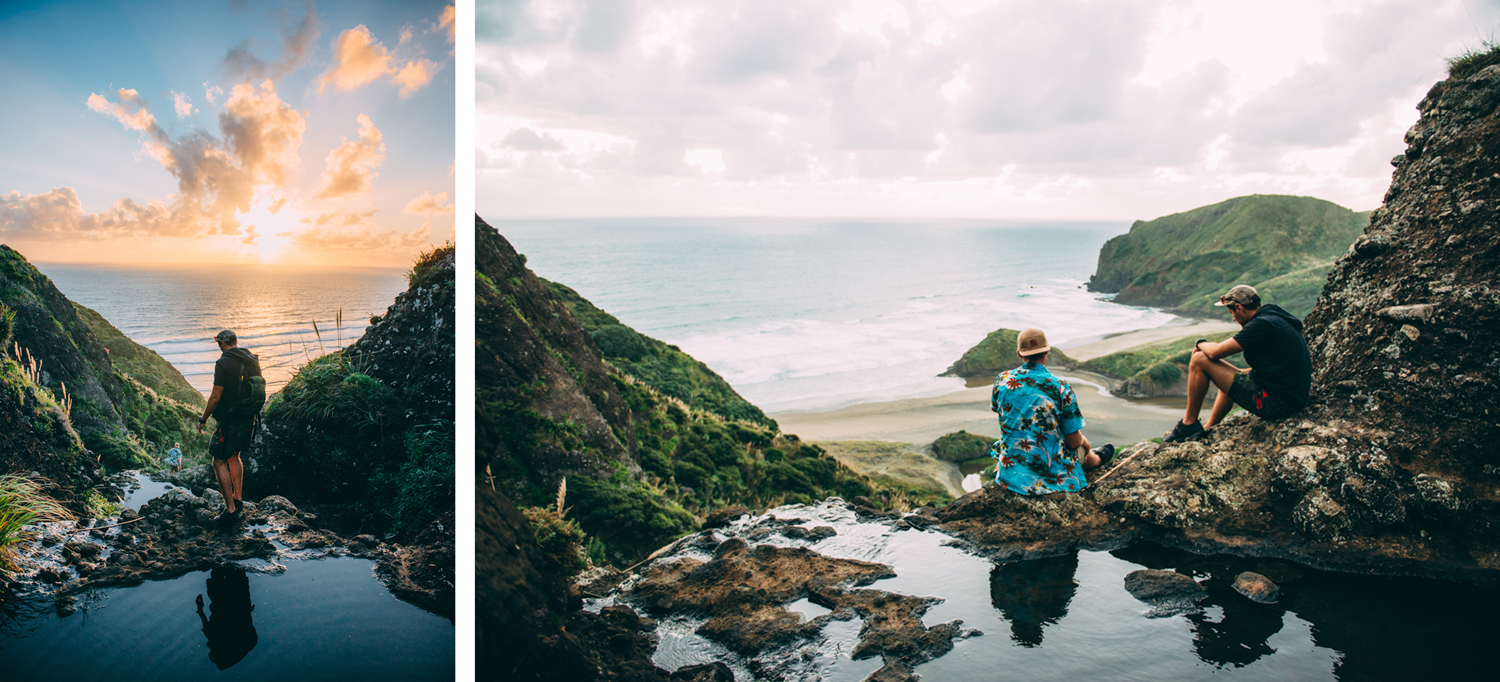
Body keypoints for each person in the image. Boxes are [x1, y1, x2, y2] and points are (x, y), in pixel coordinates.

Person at [1163, 285, 1312, 443]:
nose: (1233, 318)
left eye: (1231, 312)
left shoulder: (1261, 325)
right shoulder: (1274, 317)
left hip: (1277, 404)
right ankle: (1209, 427)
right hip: (1292, 397)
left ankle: (1188, 424)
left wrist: (1200, 343)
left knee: (1199, 359)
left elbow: (1215, 353)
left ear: (1239, 308)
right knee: (1233, 377)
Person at [990, 328, 1113, 495]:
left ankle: (1095, 456)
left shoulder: (1002, 380)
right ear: (1047, 351)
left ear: (1020, 354)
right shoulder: (1060, 387)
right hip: (1044, 470)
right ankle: (1098, 460)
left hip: (1010, 469)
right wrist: (1083, 441)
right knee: (1080, 447)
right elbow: (1073, 443)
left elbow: (999, 411)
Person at [198, 330, 262, 523]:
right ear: (235, 341)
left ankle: (231, 511)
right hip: (247, 417)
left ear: (222, 344)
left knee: (218, 462)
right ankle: (239, 500)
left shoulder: (223, 363)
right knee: (235, 457)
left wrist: (203, 418)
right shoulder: (251, 359)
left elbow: (215, 396)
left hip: (229, 419)